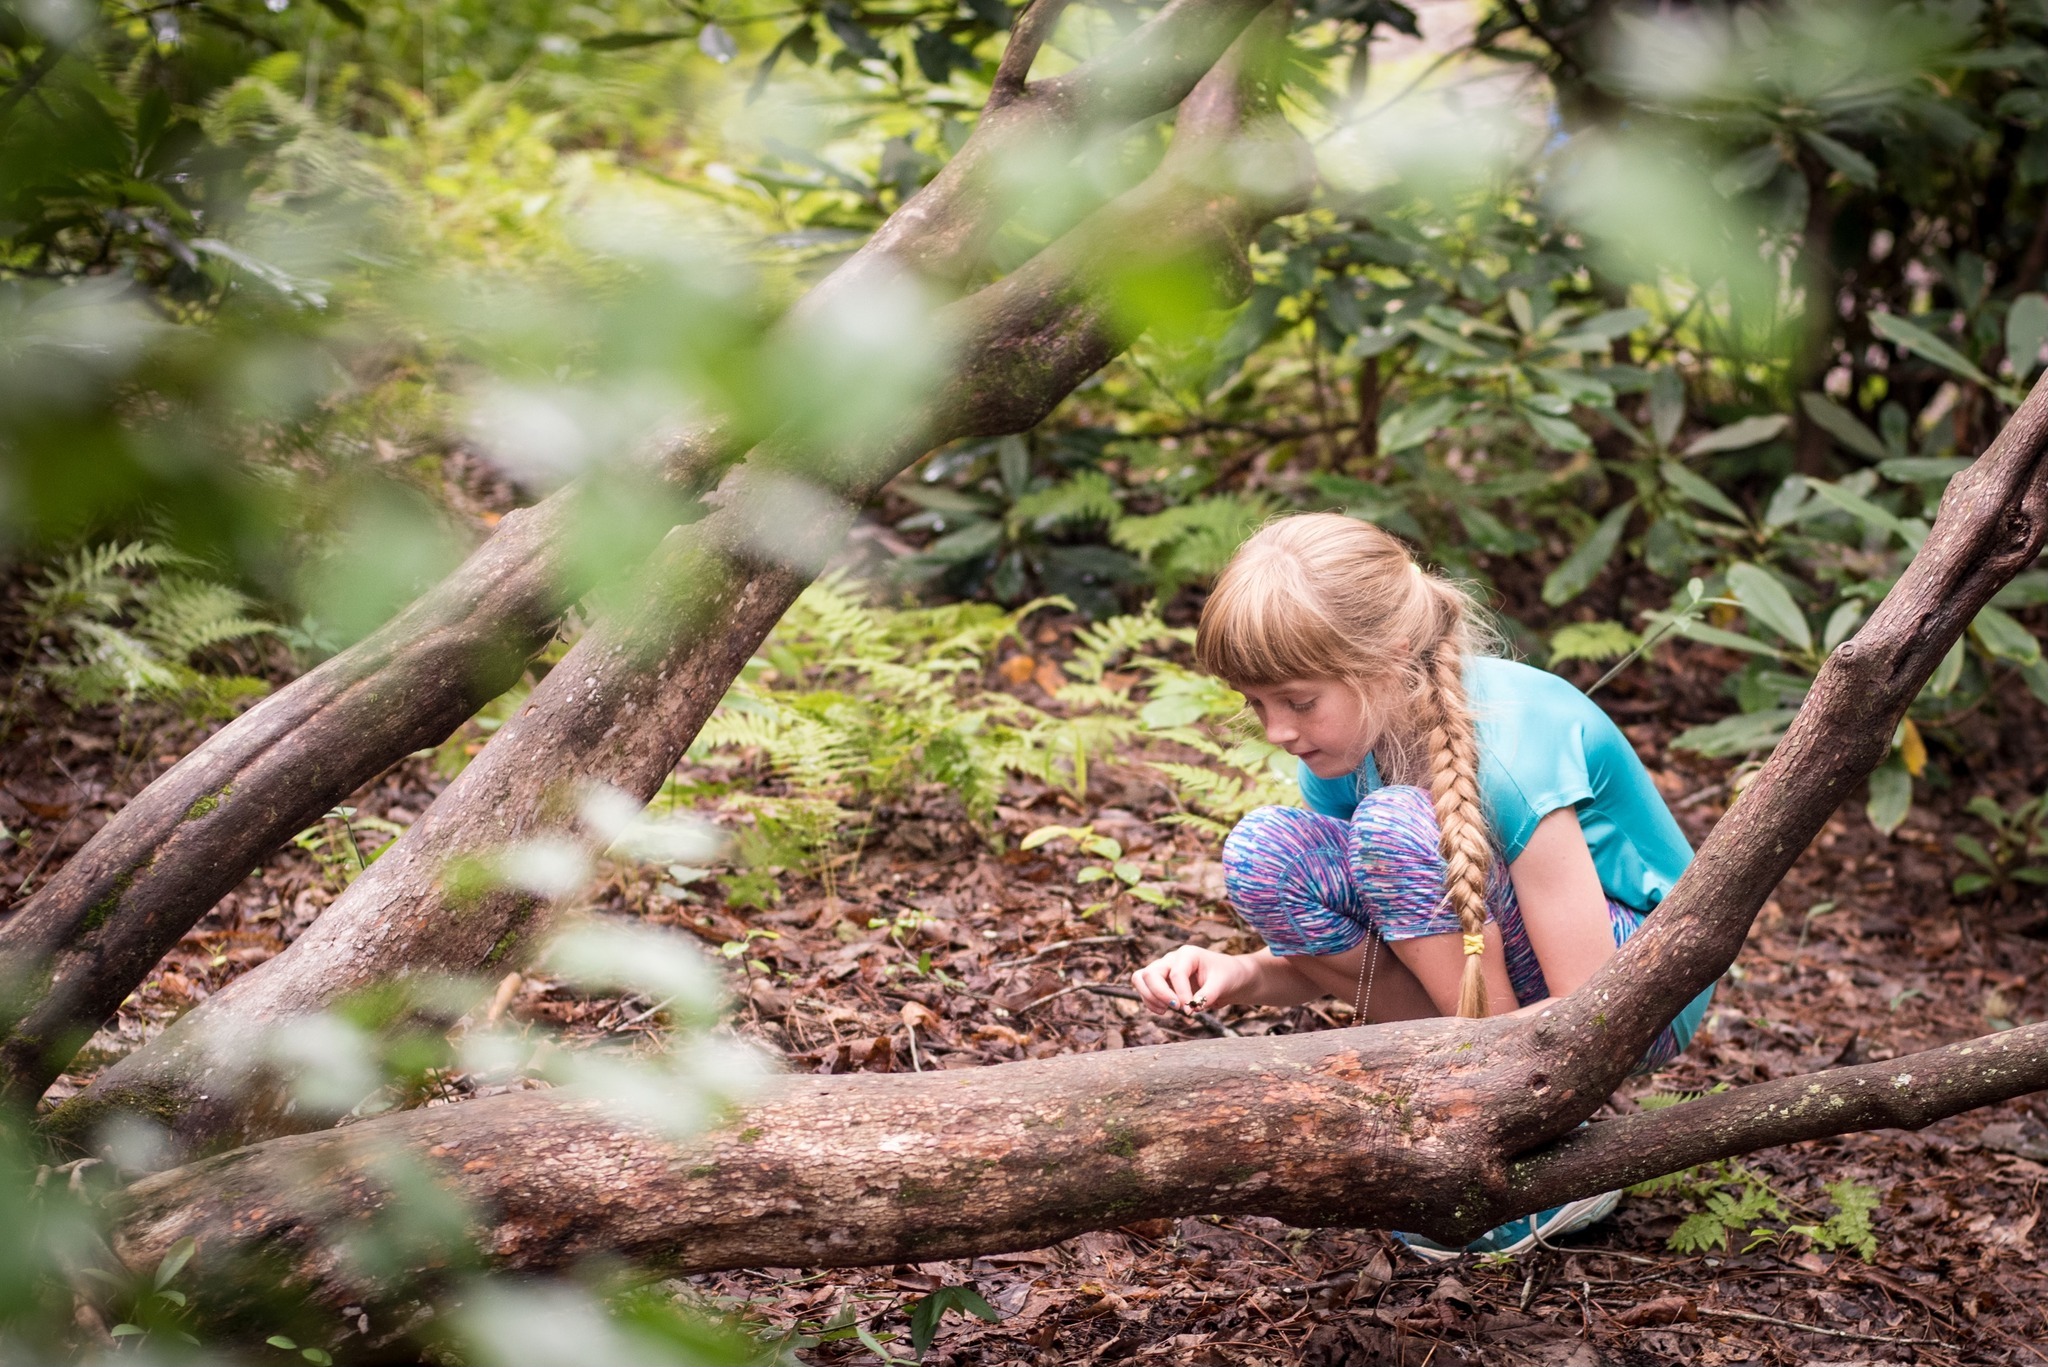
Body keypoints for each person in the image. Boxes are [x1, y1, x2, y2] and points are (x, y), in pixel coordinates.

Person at [1130, 512, 1713, 1260]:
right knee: (1264, 851)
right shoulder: (1342, 749)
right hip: (1518, 991)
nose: (1277, 729)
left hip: (1638, 987)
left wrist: (1533, 1102)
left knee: (1395, 827)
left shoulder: (1512, 751)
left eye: (1299, 701)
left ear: (1389, 657)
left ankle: (1538, 1151)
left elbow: (1592, 1001)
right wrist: (1241, 973)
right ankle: (1454, 1095)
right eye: (1258, 705)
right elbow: (1391, 943)